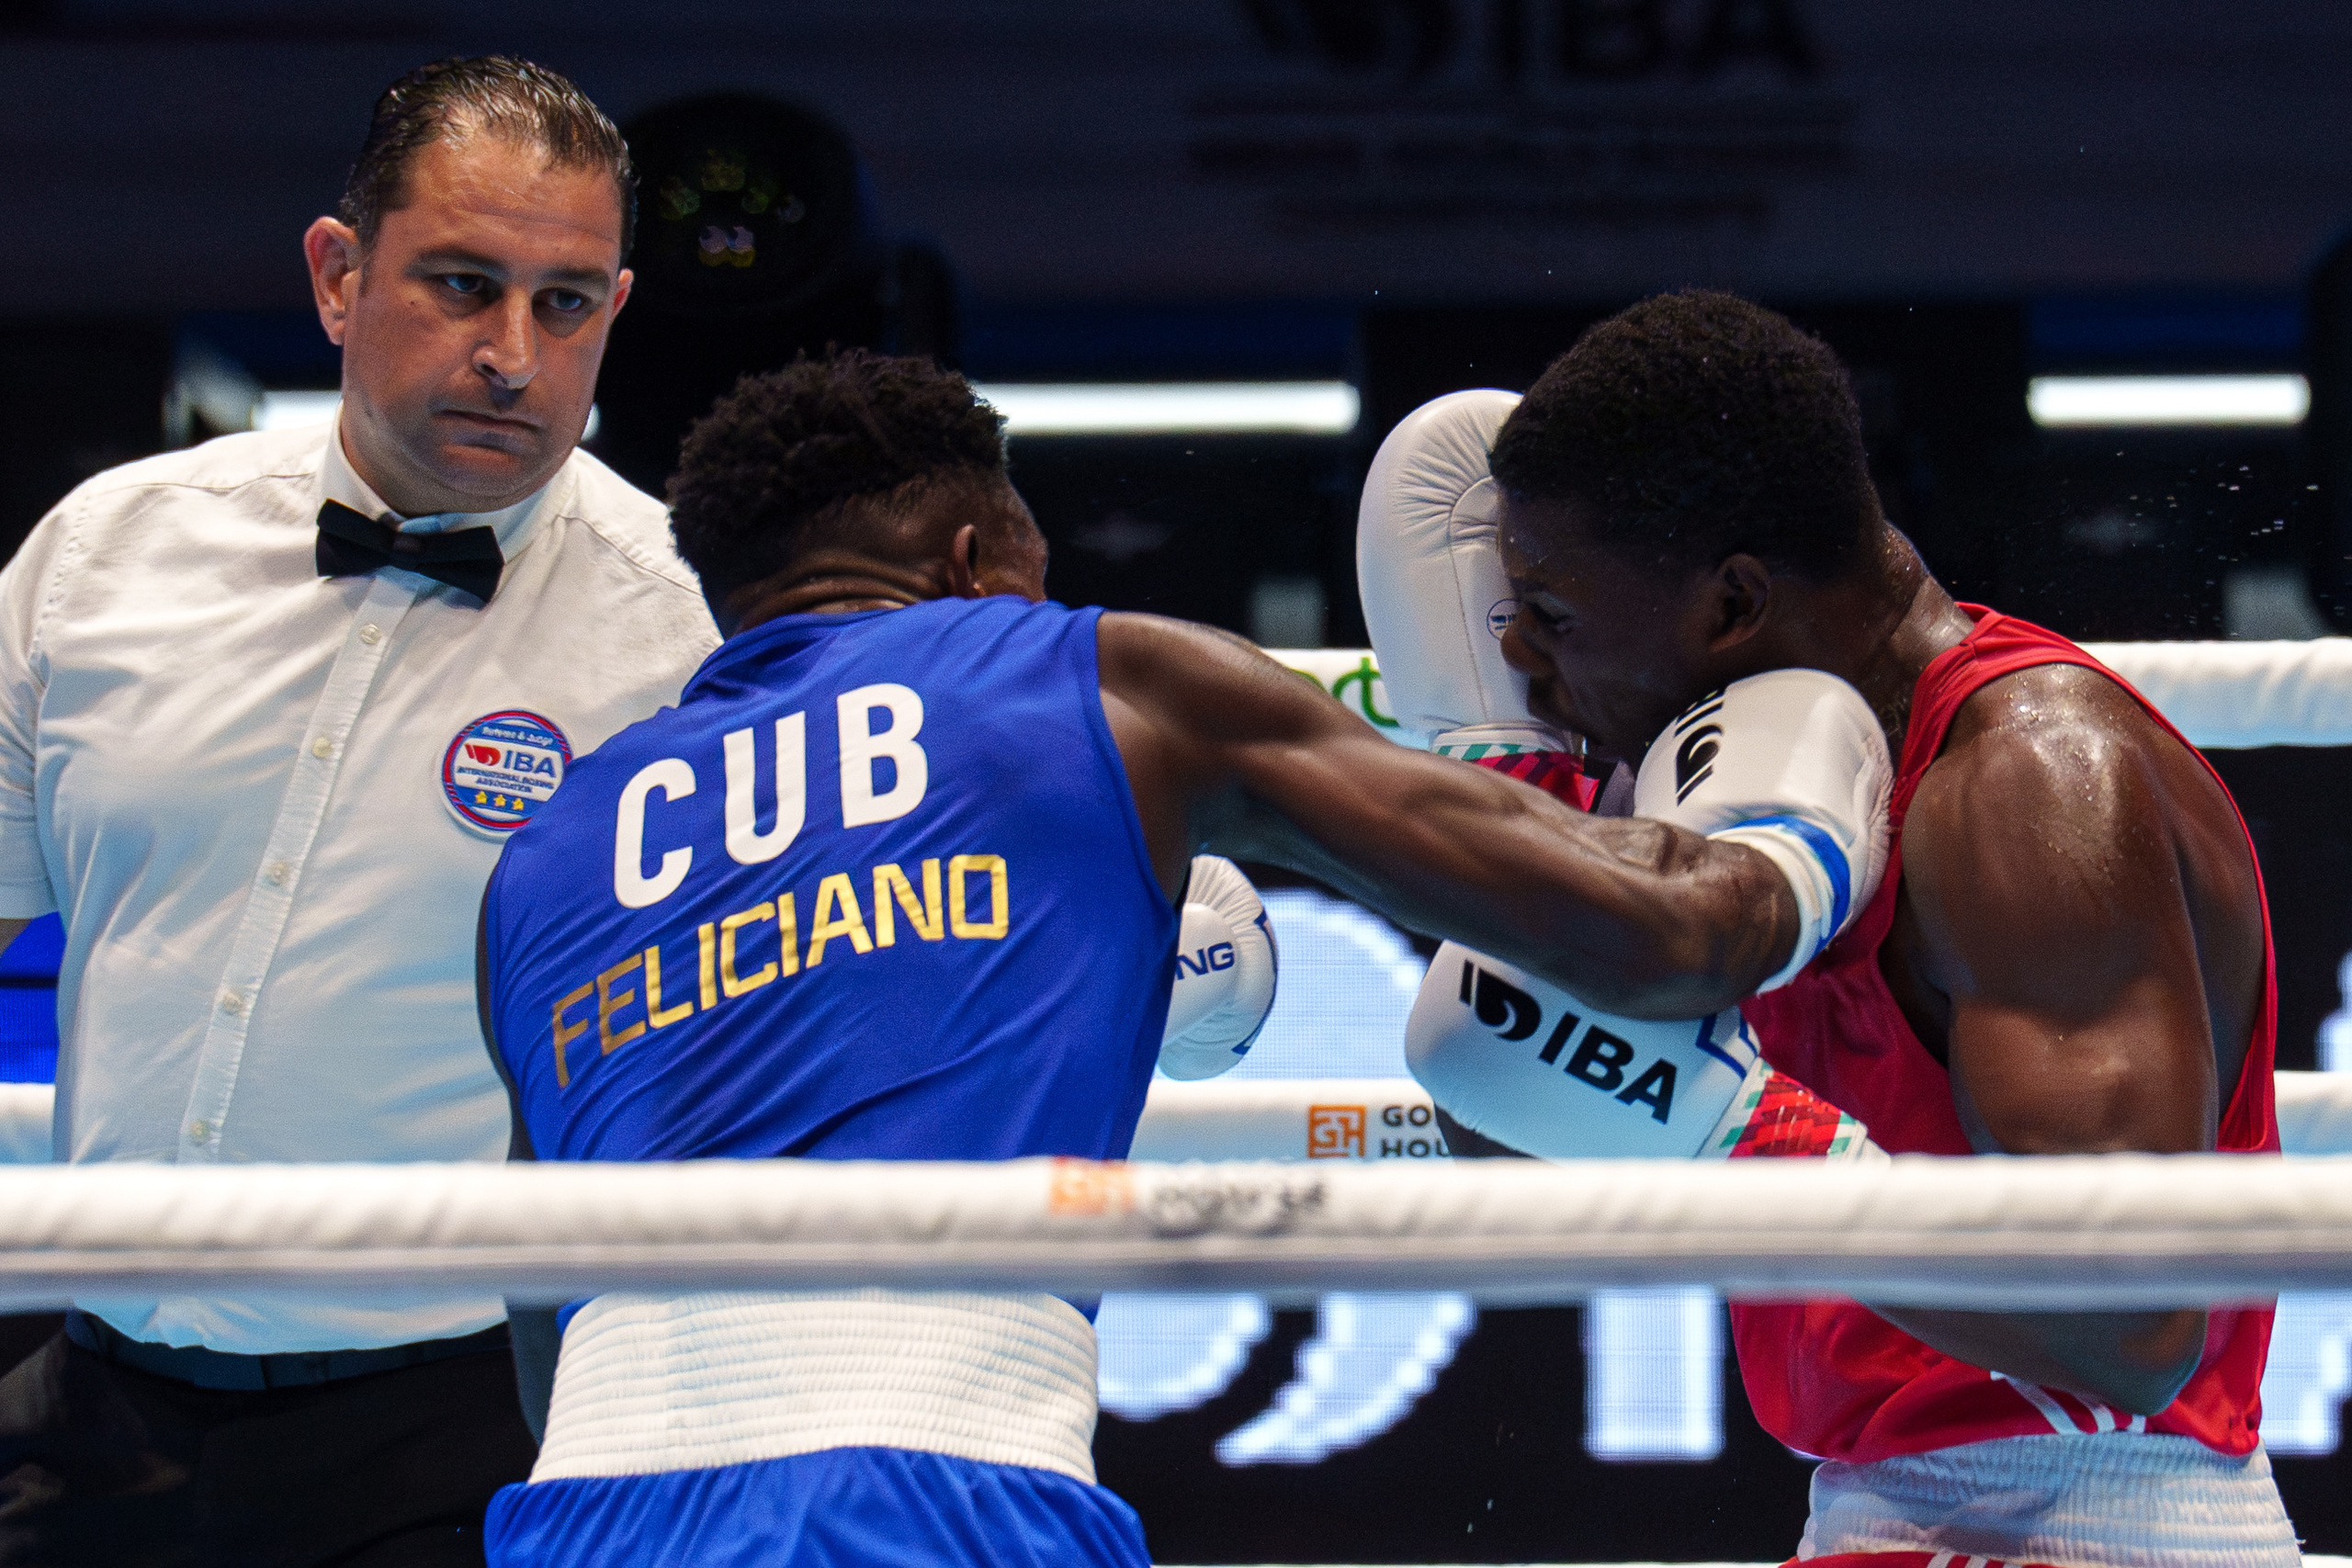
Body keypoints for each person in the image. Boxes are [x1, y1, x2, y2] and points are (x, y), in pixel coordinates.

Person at [476, 350, 1890, 1566]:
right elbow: (1670, 934)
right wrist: (1780, 843)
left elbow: (548, 1314)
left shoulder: (543, 858)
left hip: (582, 1508)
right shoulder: (1085, 678)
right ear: (976, 565)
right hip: (935, 1487)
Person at [1381, 290, 2290, 1568]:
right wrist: (1519, 820)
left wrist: (1742, 1132)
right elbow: (1521, 1116)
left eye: (1562, 618)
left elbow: (2130, 1325)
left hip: (2097, 1517)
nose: (1525, 655)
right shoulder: (1740, 793)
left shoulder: (2027, 783)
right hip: (1872, 1510)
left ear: (1735, 602)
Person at [0, 57, 718, 1566]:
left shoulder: (689, 642)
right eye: (463, 285)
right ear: (339, 278)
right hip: (89, 1407)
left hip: (456, 1435)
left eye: (567, 302)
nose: (514, 355)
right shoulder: (101, 556)